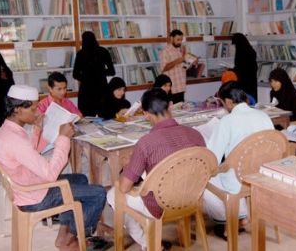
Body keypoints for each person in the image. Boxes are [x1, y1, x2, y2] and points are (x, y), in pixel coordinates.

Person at [0, 85, 107, 251]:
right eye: (33, 108)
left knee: (80, 179)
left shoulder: (5, 132)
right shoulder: (15, 140)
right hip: (35, 195)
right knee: (99, 193)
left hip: (25, 187)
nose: (38, 112)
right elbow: (51, 174)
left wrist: (37, 128)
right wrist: (63, 138)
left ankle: (64, 234)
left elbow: (32, 152)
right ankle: (73, 239)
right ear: (17, 110)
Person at [106, 88, 205, 250]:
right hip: (191, 198)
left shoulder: (146, 143)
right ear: (171, 106)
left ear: (145, 114)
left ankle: (149, 243)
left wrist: (127, 166)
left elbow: (124, 187)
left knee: (114, 195)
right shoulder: (195, 134)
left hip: (159, 205)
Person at [203, 81, 273, 238]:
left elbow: (211, 157)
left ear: (228, 101)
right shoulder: (264, 116)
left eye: (222, 103)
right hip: (261, 175)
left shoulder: (226, 122)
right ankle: (244, 215)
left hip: (238, 180)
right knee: (228, 169)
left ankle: (232, 220)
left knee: (204, 179)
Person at [73, 31, 115, 117]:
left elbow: (75, 74)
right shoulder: (103, 51)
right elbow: (112, 71)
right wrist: (100, 73)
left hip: (86, 90)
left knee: (87, 120)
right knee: (105, 117)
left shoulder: (80, 54)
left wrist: (86, 77)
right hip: (102, 88)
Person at [159, 29, 187, 103]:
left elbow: (184, 67)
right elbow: (163, 68)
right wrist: (177, 61)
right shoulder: (165, 51)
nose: (180, 42)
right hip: (171, 89)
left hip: (181, 87)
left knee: (181, 112)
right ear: (171, 38)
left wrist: (192, 62)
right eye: (178, 39)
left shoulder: (180, 50)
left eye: (181, 39)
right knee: (172, 112)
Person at [231, 33, 258, 102]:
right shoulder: (250, 50)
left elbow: (240, 67)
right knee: (252, 100)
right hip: (252, 81)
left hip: (244, 82)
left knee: (244, 100)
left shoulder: (241, 53)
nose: (235, 46)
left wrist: (232, 70)